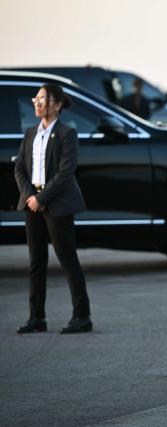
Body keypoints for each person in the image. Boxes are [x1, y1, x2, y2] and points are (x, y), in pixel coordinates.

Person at [14, 83, 93, 334]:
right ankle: (37, 318)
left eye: (43, 99)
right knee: (36, 262)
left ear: (57, 104)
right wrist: (29, 196)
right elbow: (19, 169)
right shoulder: (30, 134)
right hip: (32, 204)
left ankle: (82, 317)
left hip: (57, 204)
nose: (37, 103)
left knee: (68, 260)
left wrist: (42, 198)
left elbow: (65, 173)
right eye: (35, 99)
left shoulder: (67, 134)